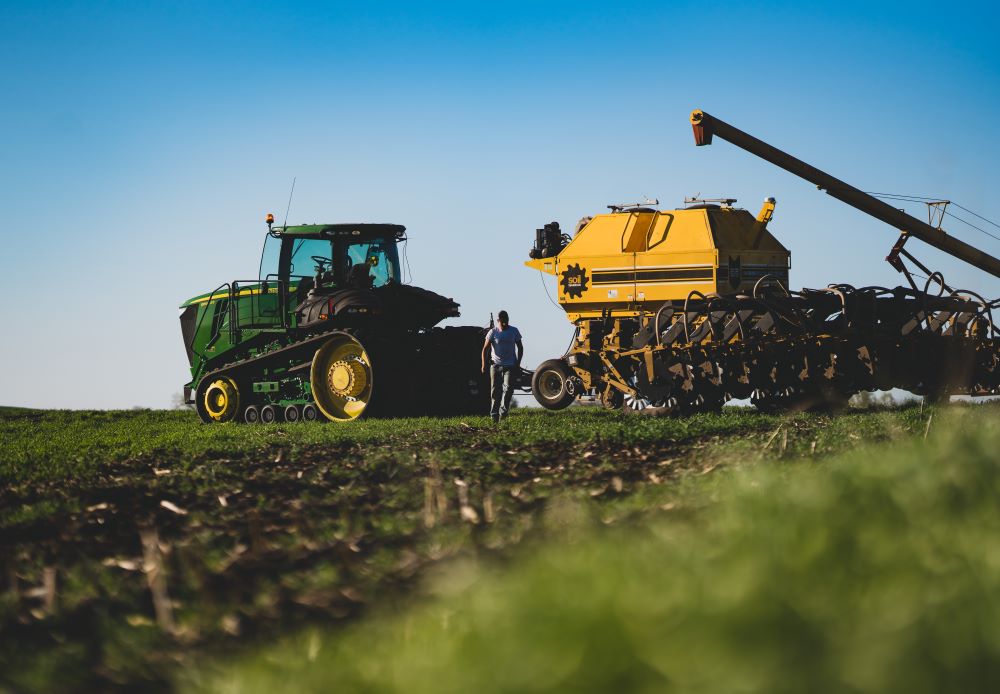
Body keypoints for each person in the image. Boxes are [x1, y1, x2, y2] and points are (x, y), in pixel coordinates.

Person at [481, 310, 523, 423]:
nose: (505, 323)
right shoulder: (493, 332)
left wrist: (518, 363)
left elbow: (520, 347)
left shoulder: (514, 331)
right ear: (498, 320)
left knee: (508, 389)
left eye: (507, 320)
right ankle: (494, 416)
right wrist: (483, 364)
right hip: (496, 366)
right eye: (502, 321)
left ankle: (503, 413)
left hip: (510, 365)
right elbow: (485, 349)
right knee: (495, 391)